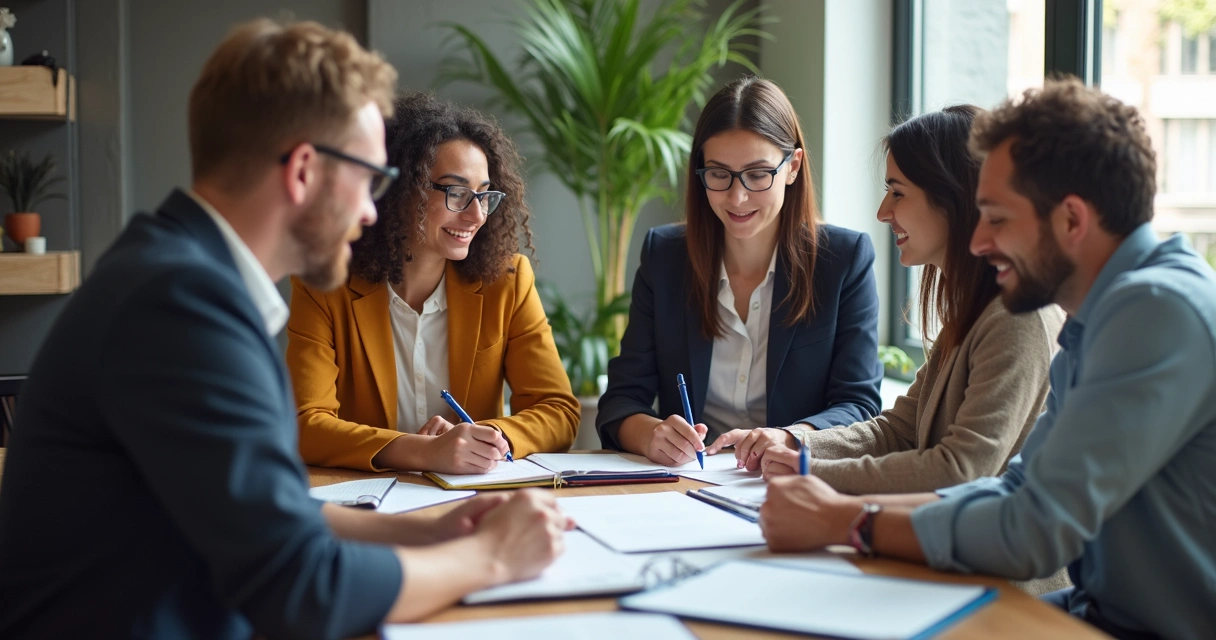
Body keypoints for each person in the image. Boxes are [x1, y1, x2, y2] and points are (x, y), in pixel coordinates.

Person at [0, 19, 569, 639]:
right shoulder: (183, 310)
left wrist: (430, 527)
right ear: (303, 171)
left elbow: (271, 511)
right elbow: (302, 588)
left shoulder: (172, 275)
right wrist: (490, 558)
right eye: (369, 179)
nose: (372, 210)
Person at [759, 78, 1216, 640]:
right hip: (1097, 611)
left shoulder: (1155, 313)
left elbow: (1035, 529)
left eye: (997, 218)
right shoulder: (1100, 320)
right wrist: (827, 499)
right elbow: (1017, 491)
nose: (977, 243)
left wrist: (847, 519)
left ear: (1072, 221)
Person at [756, 106, 1064, 495]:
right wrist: (795, 442)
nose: (883, 212)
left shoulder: (1016, 319)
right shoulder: (973, 311)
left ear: (953, 198)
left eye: (897, 193)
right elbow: (899, 430)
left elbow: (959, 470)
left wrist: (808, 468)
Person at [286, 91, 578, 474]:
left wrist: (482, 439)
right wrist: (423, 451)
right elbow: (305, 424)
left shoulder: (507, 281)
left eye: (484, 195)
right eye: (456, 192)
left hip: (472, 499)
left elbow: (559, 411)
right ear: (402, 190)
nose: (476, 214)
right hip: (366, 505)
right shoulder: (325, 283)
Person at [597, 76, 883, 466]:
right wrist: (650, 434)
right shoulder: (664, 257)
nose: (737, 196)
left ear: (792, 166)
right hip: (686, 483)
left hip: (787, 481)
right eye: (718, 173)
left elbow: (859, 405)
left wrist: (791, 437)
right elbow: (621, 400)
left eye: (758, 173)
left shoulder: (844, 260)